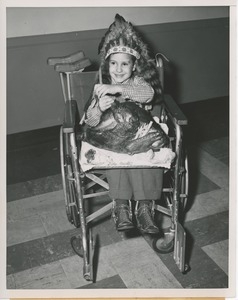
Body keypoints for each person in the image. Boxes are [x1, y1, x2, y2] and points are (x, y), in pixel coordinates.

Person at [84, 14, 164, 234]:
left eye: (124, 64)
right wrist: (99, 108)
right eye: (113, 63)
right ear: (107, 65)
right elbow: (90, 120)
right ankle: (121, 206)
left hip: (140, 136)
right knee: (117, 160)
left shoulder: (137, 82)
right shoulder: (101, 86)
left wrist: (119, 90)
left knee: (144, 159)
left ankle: (145, 207)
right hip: (114, 140)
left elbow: (148, 94)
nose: (118, 70)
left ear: (134, 66)